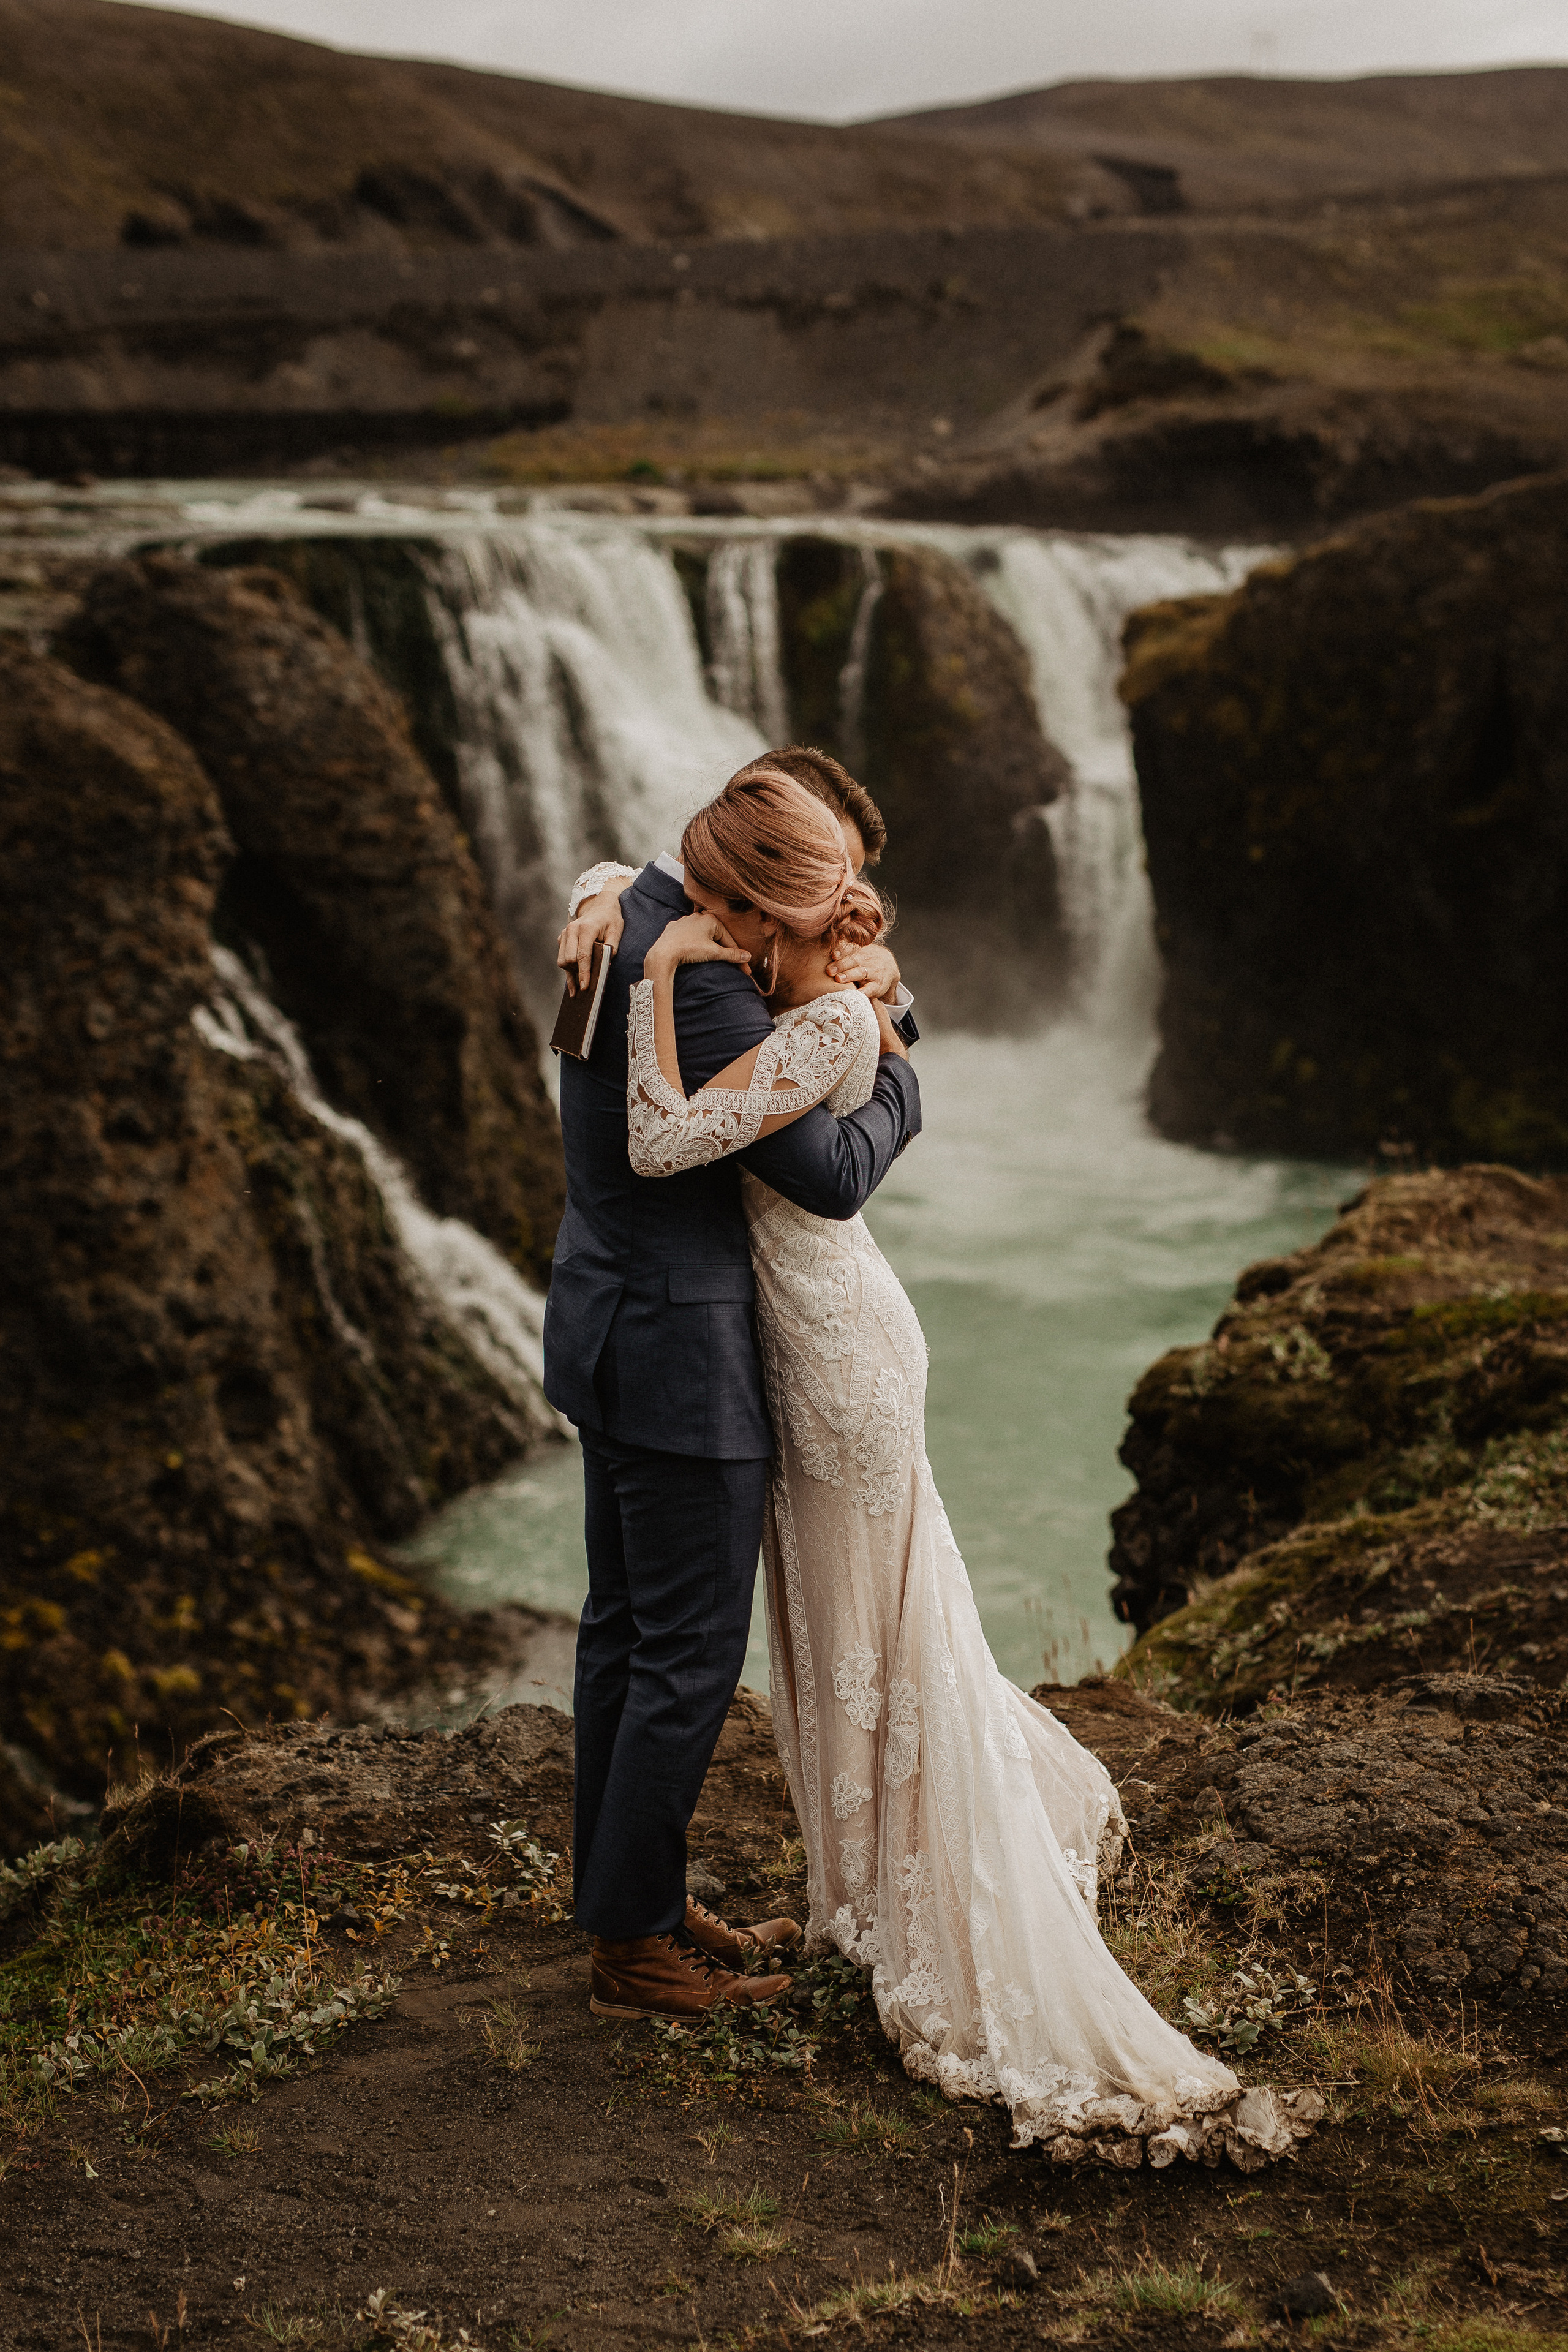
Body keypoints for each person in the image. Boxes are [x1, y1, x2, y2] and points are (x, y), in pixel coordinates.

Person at [612, 767, 1324, 2170]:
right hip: (829, 1337)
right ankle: (869, 1894)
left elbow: (655, 1138)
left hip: (838, 1357)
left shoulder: (816, 1021)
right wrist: (619, 908)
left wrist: (655, 974)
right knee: (854, 1628)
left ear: (770, 918)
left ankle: (904, 1903)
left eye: (719, 906)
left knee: (870, 1625)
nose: (696, 915)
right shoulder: (828, 995)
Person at [543, 763, 922, 2026]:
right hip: (677, 1356)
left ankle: (631, 1901)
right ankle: (633, 1953)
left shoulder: (627, 911)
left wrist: (599, 883)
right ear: (751, 892)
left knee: (621, 1635)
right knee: (687, 1658)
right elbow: (822, 1173)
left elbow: (612, 881)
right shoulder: (698, 981)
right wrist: (897, 1052)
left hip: (602, 1320)